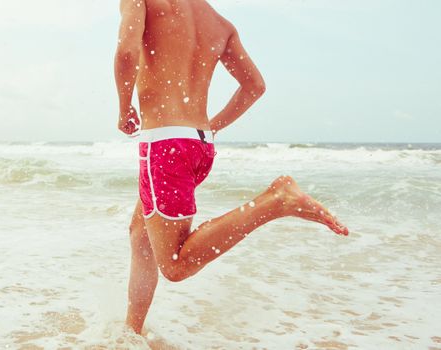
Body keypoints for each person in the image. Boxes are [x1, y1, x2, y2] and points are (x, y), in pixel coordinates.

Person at [114, 0, 349, 335]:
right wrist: (209, 128)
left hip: (164, 146)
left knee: (175, 265)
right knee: (141, 235)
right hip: (198, 146)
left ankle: (275, 202)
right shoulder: (218, 23)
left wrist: (124, 109)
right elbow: (255, 86)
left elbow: (126, 51)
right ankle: (131, 334)